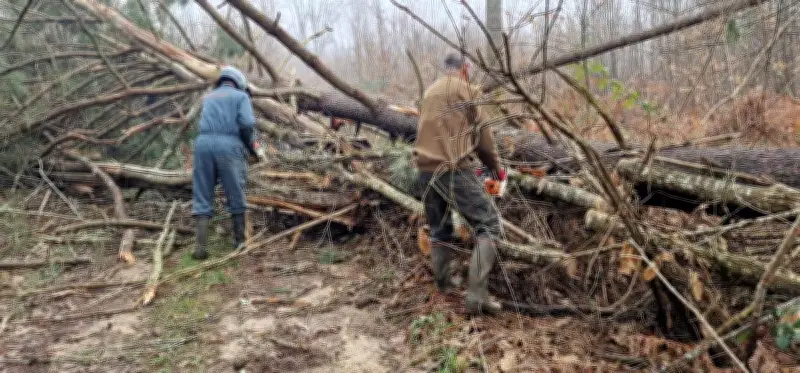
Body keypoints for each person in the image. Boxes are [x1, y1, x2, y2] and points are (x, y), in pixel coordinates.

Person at [413, 53, 507, 315]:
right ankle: (477, 296)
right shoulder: (469, 91)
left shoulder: (429, 92)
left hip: (424, 170)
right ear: (465, 69)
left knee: (439, 229)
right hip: (453, 169)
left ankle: (444, 283)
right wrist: (496, 170)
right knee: (488, 225)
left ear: (446, 70)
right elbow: (484, 141)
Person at [191, 66, 259, 260]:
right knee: (235, 191)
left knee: (202, 192)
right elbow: (246, 124)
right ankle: (239, 243)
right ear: (239, 82)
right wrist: (252, 148)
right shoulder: (241, 97)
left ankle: (200, 248)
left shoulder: (209, 97)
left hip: (203, 144)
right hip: (227, 146)